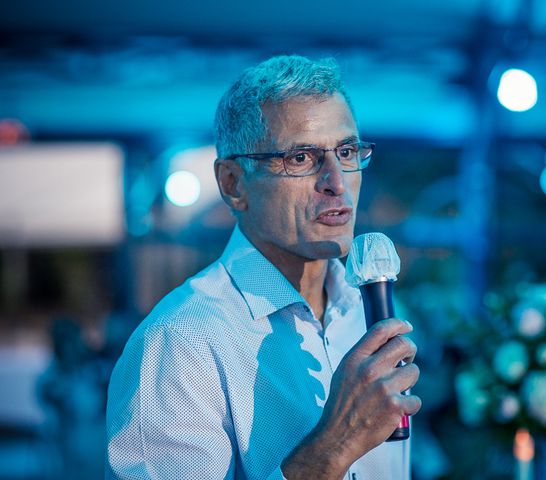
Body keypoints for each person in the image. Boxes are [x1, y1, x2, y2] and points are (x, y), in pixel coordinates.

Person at [106, 55, 421, 480]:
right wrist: (332, 449)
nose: (337, 181)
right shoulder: (181, 343)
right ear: (234, 184)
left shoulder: (365, 311)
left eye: (346, 151)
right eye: (301, 158)